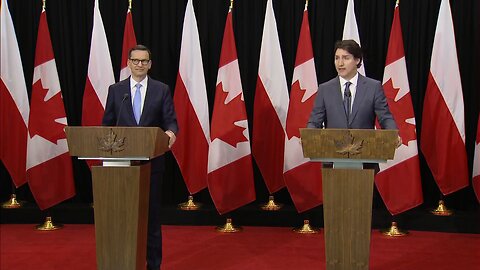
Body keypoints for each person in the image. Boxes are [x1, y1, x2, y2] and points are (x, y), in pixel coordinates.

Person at [102, 44, 178, 270]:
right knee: (123, 219)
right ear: (128, 63)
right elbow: (107, 125)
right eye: (135, 61)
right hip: (122, 167)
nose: (140, 65)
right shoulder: (116, 90)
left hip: (151, 165)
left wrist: (170, 133)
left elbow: (170, 120)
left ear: (150, 64)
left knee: (151, 219)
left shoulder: (161, 89)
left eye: (144, 61)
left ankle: (153, 265)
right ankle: (124, 262)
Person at [307, 39, 398, 131]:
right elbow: (314, 122)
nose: (340, 63)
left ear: (357, 60)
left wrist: (393, 134)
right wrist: (309, 136)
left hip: (364, 144)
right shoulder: (325, 89)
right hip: (333, 145)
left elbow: (385, 118)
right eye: (337, 58)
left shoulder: (373, 87)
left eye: (346, 58)